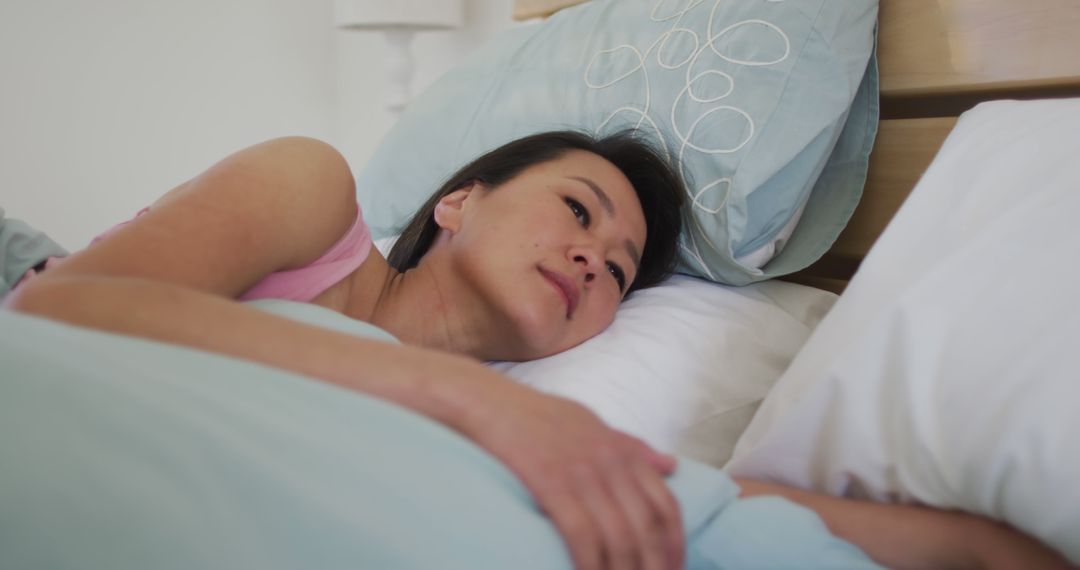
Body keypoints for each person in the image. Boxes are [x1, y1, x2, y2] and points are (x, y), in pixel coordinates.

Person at [5, 133, 1072, 570]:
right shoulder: (310, 190)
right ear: (459, 203)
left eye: (618, 269)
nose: (592, 257)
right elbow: (64, 310)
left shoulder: (515, 415)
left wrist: (978, 545)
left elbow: (710, 505)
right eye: (579, 208)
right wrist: (475, 402)